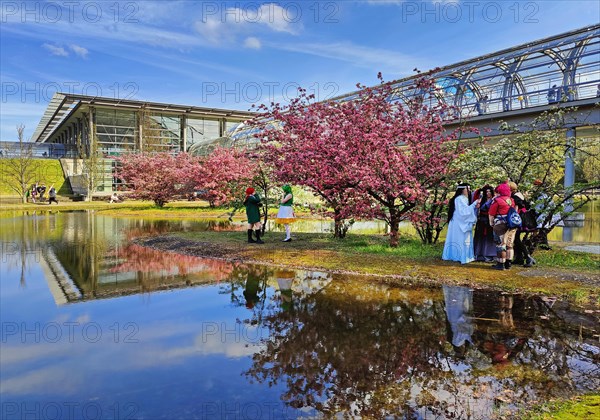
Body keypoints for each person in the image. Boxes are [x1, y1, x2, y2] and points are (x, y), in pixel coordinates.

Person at [442, 183, 480, 264]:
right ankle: (462, 256)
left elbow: (465, 211)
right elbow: (463, 212)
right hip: (459, 222)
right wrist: (474, 204)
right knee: (461, 238)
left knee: (458, 238)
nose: (469, 191)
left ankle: (457, 255)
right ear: (462, 190)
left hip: (458, 221)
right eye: (467, 189)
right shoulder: (460, 199)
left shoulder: (462, 198)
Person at [488, 182, 517, 270]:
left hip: (500, 224)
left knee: (500, 244)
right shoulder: (511, 200)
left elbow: (491, 214)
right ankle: (508, 264)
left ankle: (500, 264)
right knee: (509, 244)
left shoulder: (497, 200)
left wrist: (491, 223)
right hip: (512, 224)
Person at [507, 181, 536, 267]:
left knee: (516, 239)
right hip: (521, 219)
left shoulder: (516, 197)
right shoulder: (519, 195)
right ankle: (519, 258)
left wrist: (512, 220)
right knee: (516, 239)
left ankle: (528, 257)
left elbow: (515, 210)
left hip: (519, 220)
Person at [473, 185, 496, 262]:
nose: (488, 193)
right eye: (486, 192)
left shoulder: (494, 200)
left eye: (489, 191)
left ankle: (490, 255)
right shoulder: (482, 200)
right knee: (480, 238)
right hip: (482, 221)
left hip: (490, 221)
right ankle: (479, 254)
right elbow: (480, 208)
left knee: (490, 238)